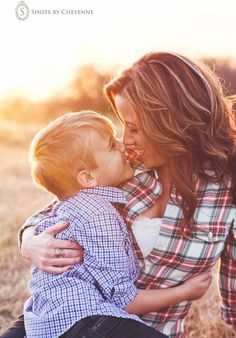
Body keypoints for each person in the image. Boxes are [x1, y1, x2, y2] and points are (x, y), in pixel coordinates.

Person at [9, 52, 236, 337]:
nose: (125, 140)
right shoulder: (123, 170)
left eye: (135, 128)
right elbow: (55, 211)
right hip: (69, 318)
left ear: (171, 123)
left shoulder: (227, 190)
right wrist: (29, 241)